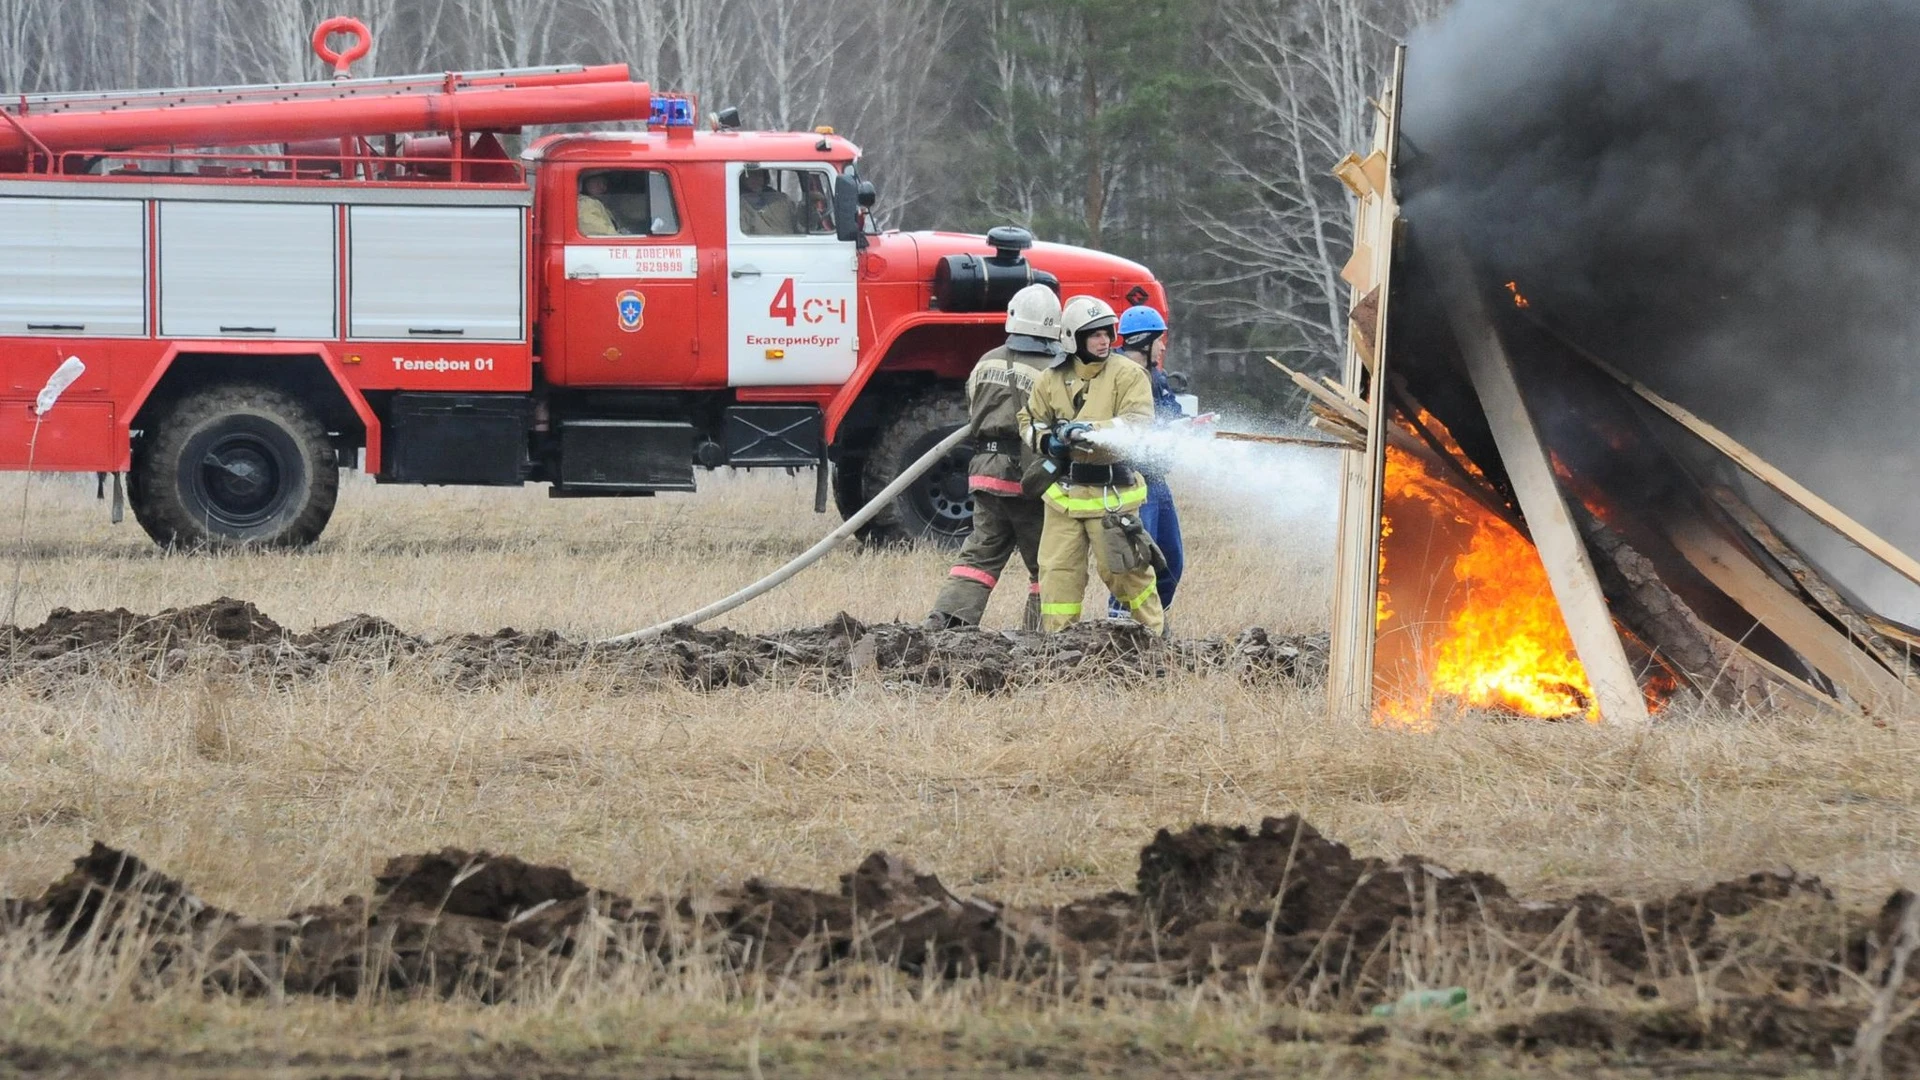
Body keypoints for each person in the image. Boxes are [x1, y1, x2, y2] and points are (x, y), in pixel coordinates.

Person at [1018, 295, 1164, 634]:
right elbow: (1028, 420)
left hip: (1110, 496)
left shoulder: (1129, 375)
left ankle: (1155, 639)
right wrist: (1047, 441)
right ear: (1073, 338)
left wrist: (1091, 431)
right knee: (1057, 573)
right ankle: (1059, 646)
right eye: (1094, 334)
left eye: (1107, 333)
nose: (1104, 341)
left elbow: (1137, 422)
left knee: (1126, 571)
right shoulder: (1050, 378)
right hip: (1063, 497)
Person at [924, 284, 1061, 631]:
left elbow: (973, 409)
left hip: (984, 472)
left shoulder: (987, 361)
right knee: (1046, 561)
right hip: (1027, 477)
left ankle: (946, 620)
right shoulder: (1052, 369)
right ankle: (1043, 635)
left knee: (980, 553)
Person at [1107, 305, 1185, 629]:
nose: (1164, 347)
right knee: (1136, 562)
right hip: (1132, 482)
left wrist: (1187, 425)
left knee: (1171, 562)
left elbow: (1171, 413)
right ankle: (1121, 629)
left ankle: (1152, 623)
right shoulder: (1116, 377)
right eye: (1159, 340)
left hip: (1158, 482)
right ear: (1143, 341)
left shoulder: (1157, 377)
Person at [739, 168, 802, 235]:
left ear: (765, 177)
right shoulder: (736, 203)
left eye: (759, 175)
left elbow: (799, 225)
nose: (755, 179)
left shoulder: (782, 199)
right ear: (743, 179)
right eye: (750, 176)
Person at [577, 173, 619, 237]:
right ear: (585, 182)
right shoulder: (586, 204)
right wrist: (622, 238)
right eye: (598, 182)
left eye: (605, 183)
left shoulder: (597, 203)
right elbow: (599, 231)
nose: (603, 187)